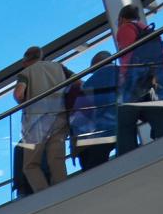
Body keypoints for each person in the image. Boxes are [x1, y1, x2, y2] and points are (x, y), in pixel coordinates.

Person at [13, 45, 72, 193]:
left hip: (36, 121)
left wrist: (25, 104)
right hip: (60, 115)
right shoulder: (59, 67)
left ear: (26, 60)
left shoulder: (26, 72)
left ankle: (43, 192)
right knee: (56, 159)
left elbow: (18, 94)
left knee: (30, 165)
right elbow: (79, 83)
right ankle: (63, 189)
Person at [71, 52, 121, 169]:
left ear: (96, 65)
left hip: (100, 133)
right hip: (126, 124)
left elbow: (82, 114)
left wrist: (77, 141)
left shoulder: (90, 83)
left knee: (94, 168)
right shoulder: (125, 72)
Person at [113, 3, 162, 105]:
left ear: (121, 19)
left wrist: (123, 76)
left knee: (130, 109)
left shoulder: (125, 28)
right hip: (154, 74)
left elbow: (128, 54)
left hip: (138, 78)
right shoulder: (146, 28)